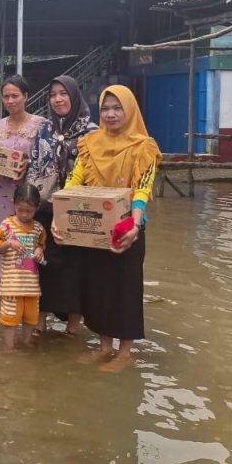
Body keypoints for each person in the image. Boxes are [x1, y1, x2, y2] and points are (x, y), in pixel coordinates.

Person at [53, 85, 161, 372]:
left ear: (130, 110)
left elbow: (142, 190)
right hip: (94, 228)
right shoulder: (90, 143)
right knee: (98, 287)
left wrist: (135, 224)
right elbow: (75, 180)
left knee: (124, 289)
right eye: (106, 108)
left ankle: (125, 352)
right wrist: (59, 215)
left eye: (117, 108)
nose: (111, 114)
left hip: (127, 229)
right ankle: (103, 347)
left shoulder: (144, 147)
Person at [27, 75, 96, 336]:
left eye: (63, 93)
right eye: (53, 94)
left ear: (74, 96)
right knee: (44, 262)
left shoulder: (91, 132)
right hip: (45, 208)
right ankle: (40, 317)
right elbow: (34, 165)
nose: (57, 99)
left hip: (77, 210)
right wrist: (31, 204)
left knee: (76, 268)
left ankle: (73, 322)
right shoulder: (44, 129)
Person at [0, 75, 46, 292]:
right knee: (1, 247)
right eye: (6, 96)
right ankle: (3, 305)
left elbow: (45, 162)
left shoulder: (41, 125)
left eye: (15, 95)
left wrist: (26, 168)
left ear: (25, 96)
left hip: (27, 197)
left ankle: (27, 302)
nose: (10, 101)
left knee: (28, 246)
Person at [0, 184, 47, 351]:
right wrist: (9, 243)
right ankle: (8, 346)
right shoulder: (6, 225)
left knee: (31, 317)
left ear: (36, 208)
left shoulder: (38, 228)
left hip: (30, 284)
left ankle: (26, 342)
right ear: (13, 204)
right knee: (10, 318)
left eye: (29, 211)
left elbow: (41, 246)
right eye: (20, 210)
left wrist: (39, 251)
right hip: (12, 284)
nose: (24, 214)